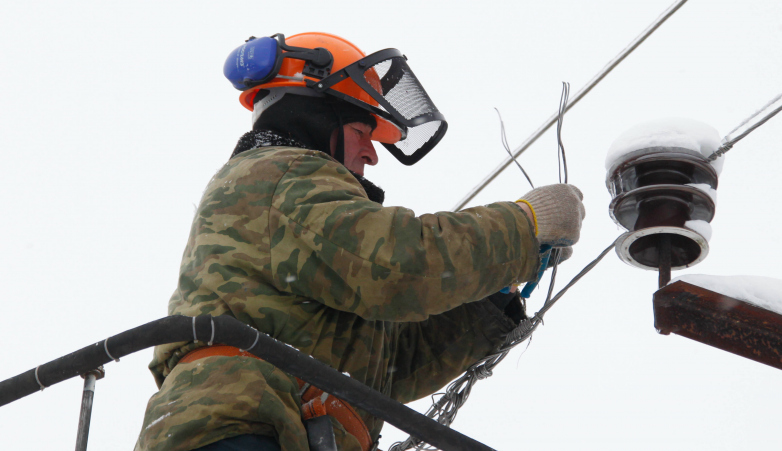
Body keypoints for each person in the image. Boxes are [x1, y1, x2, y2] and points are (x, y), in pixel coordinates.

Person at [135, 32, 585, 451]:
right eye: (362, 132)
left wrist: (492, 297)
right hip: (241, 431)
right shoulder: (279, 172)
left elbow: (393, 366)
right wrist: (523, 228)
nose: (371, 153)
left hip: (281, 429)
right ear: (313, 116)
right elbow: (399, 265)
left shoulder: (303, 223)